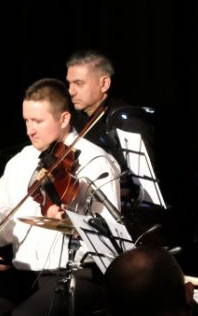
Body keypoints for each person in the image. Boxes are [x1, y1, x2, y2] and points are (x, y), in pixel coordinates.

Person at [0, 78, 121, 316]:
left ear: (64, 118)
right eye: (26, 121)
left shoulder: (96, 161)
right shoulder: (22, 161)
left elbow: (109, 234)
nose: (29, 130)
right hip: (27, 276)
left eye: (38, 121)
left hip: (77, 276)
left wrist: (72, 220)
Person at [65, 49, 162, 215]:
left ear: (104, 84)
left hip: (121, 216)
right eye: (69, 83)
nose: (71, 91)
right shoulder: (74, 120)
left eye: (79, 83)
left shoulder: (127, 122)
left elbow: (143, 191)